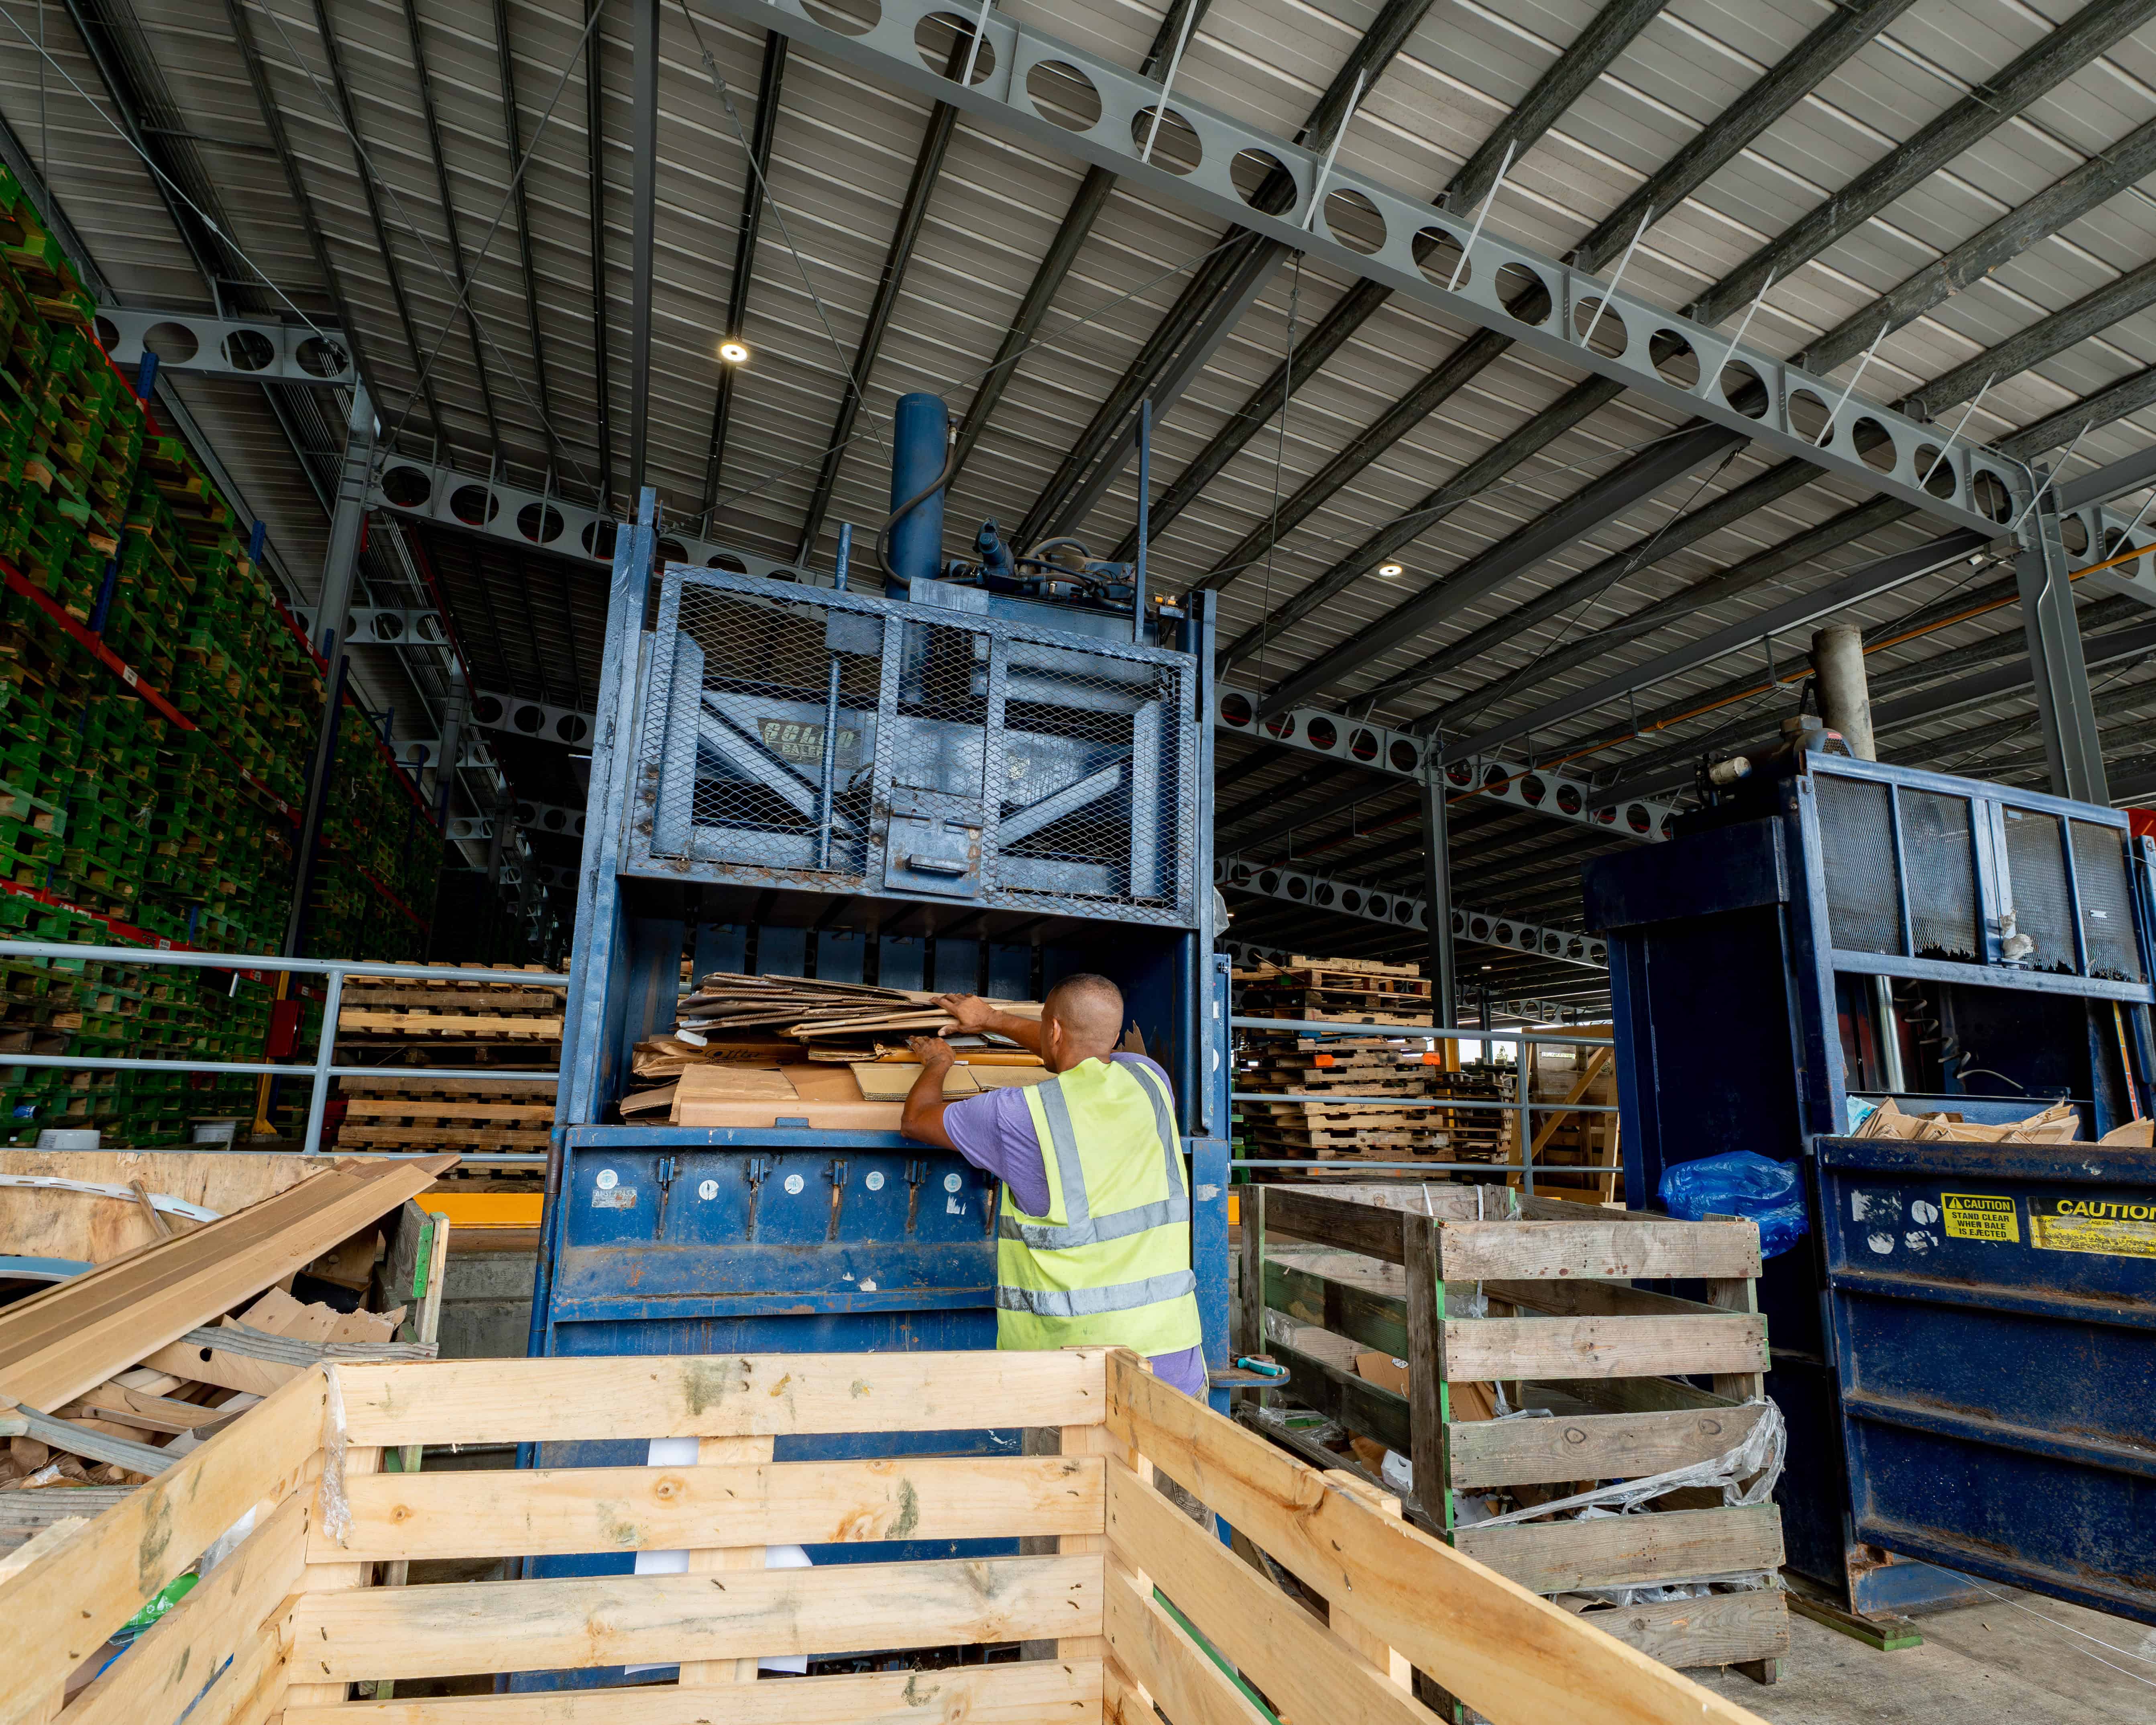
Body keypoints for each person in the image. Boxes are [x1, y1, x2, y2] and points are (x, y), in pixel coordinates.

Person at [898, 973, 1204, 1396]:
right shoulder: (1149, 1079)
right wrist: (990, 1019)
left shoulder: (1017, 1115)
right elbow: (1083, 1049)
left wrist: (938, 1062)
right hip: (1175, 1363)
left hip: (1077, 1378)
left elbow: (916, 1121)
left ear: (1054, 1030)